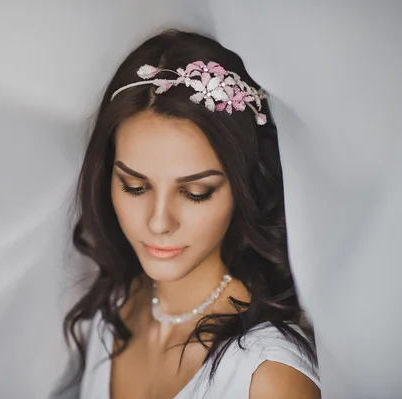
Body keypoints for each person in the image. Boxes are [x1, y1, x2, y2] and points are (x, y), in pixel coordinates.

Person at [60, 29, 320, 398]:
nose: (159, 222)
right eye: (135, 186)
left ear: (243, 189)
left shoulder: (267, 375)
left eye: (196, 192)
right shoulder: (113, 310)